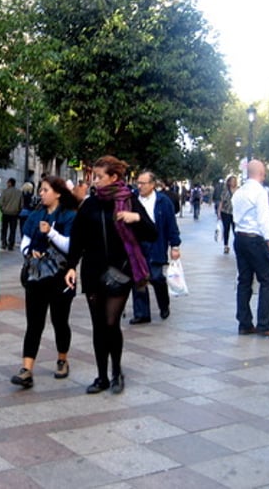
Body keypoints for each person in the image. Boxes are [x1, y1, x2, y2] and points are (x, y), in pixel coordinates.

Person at [64, 156, 157, 395]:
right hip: (93, 272)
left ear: (114, 177)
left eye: (98, 177)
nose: (94, 181)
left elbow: (152, 233)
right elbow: (77, 239)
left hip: (120, 271)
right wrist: (71, 266)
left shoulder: (129, 201)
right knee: (98, 326)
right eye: (93, 176)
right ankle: (102, 376)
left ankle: (117, 372)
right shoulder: (90, 205)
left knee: (111, 323)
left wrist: (134, 218)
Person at [10, 176, 77, 389]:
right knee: (34, 323)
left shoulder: (69, 216)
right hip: (36, 277)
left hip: (60, 277)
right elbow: (25, 242)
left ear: (57, 193)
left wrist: (51, 232)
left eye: (45, 190)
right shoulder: (35, 215)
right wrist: (30, 252)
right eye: (41, 190)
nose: (41, 193)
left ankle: (62, 359)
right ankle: (26, 369)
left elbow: (70, 247)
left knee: (60, 321)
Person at [232, 159, 269, 339]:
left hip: (240, 238)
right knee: (267, 280)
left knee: (244, 281)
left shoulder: (238, 192)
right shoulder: (260, 192)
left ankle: (244, 323)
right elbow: (264, 220)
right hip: (255, 239)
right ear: (261, 174)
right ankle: (264, 324)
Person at [130, 170, 181, 324]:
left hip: (156, 243)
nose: (139, 186)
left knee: (156, 277)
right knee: (138, 278)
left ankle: (163, 304)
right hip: (137, 244)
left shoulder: (163, 202)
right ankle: (142, 313)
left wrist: (175, 246)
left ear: (152, 185)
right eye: (138, 183)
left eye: (143, 183)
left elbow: (171, 225)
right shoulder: (132, 199)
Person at [0, 177, 23, 251]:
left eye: (7, 182)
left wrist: (3, 209)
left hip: (5, 213)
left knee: (4, 229)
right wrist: (18, 210)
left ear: (10, 183)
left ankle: (4, 242)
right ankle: (11, 244)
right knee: (13, 229)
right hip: (14, 213)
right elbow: (21, 204)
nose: (7, 184)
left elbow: (0, 202)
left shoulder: (5, 191)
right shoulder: (19, 192)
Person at [217, 175, 238, 254]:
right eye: (232, 181)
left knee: (236, 230)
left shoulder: (239, 191)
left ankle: (237, 246)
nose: (233, 182)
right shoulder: (225, 191)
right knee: (226, 229)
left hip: (236, 214)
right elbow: (221, 202)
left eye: (235, 181)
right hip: (226, 212)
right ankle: (226, 246)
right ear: (228, 182)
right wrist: (219, 212)